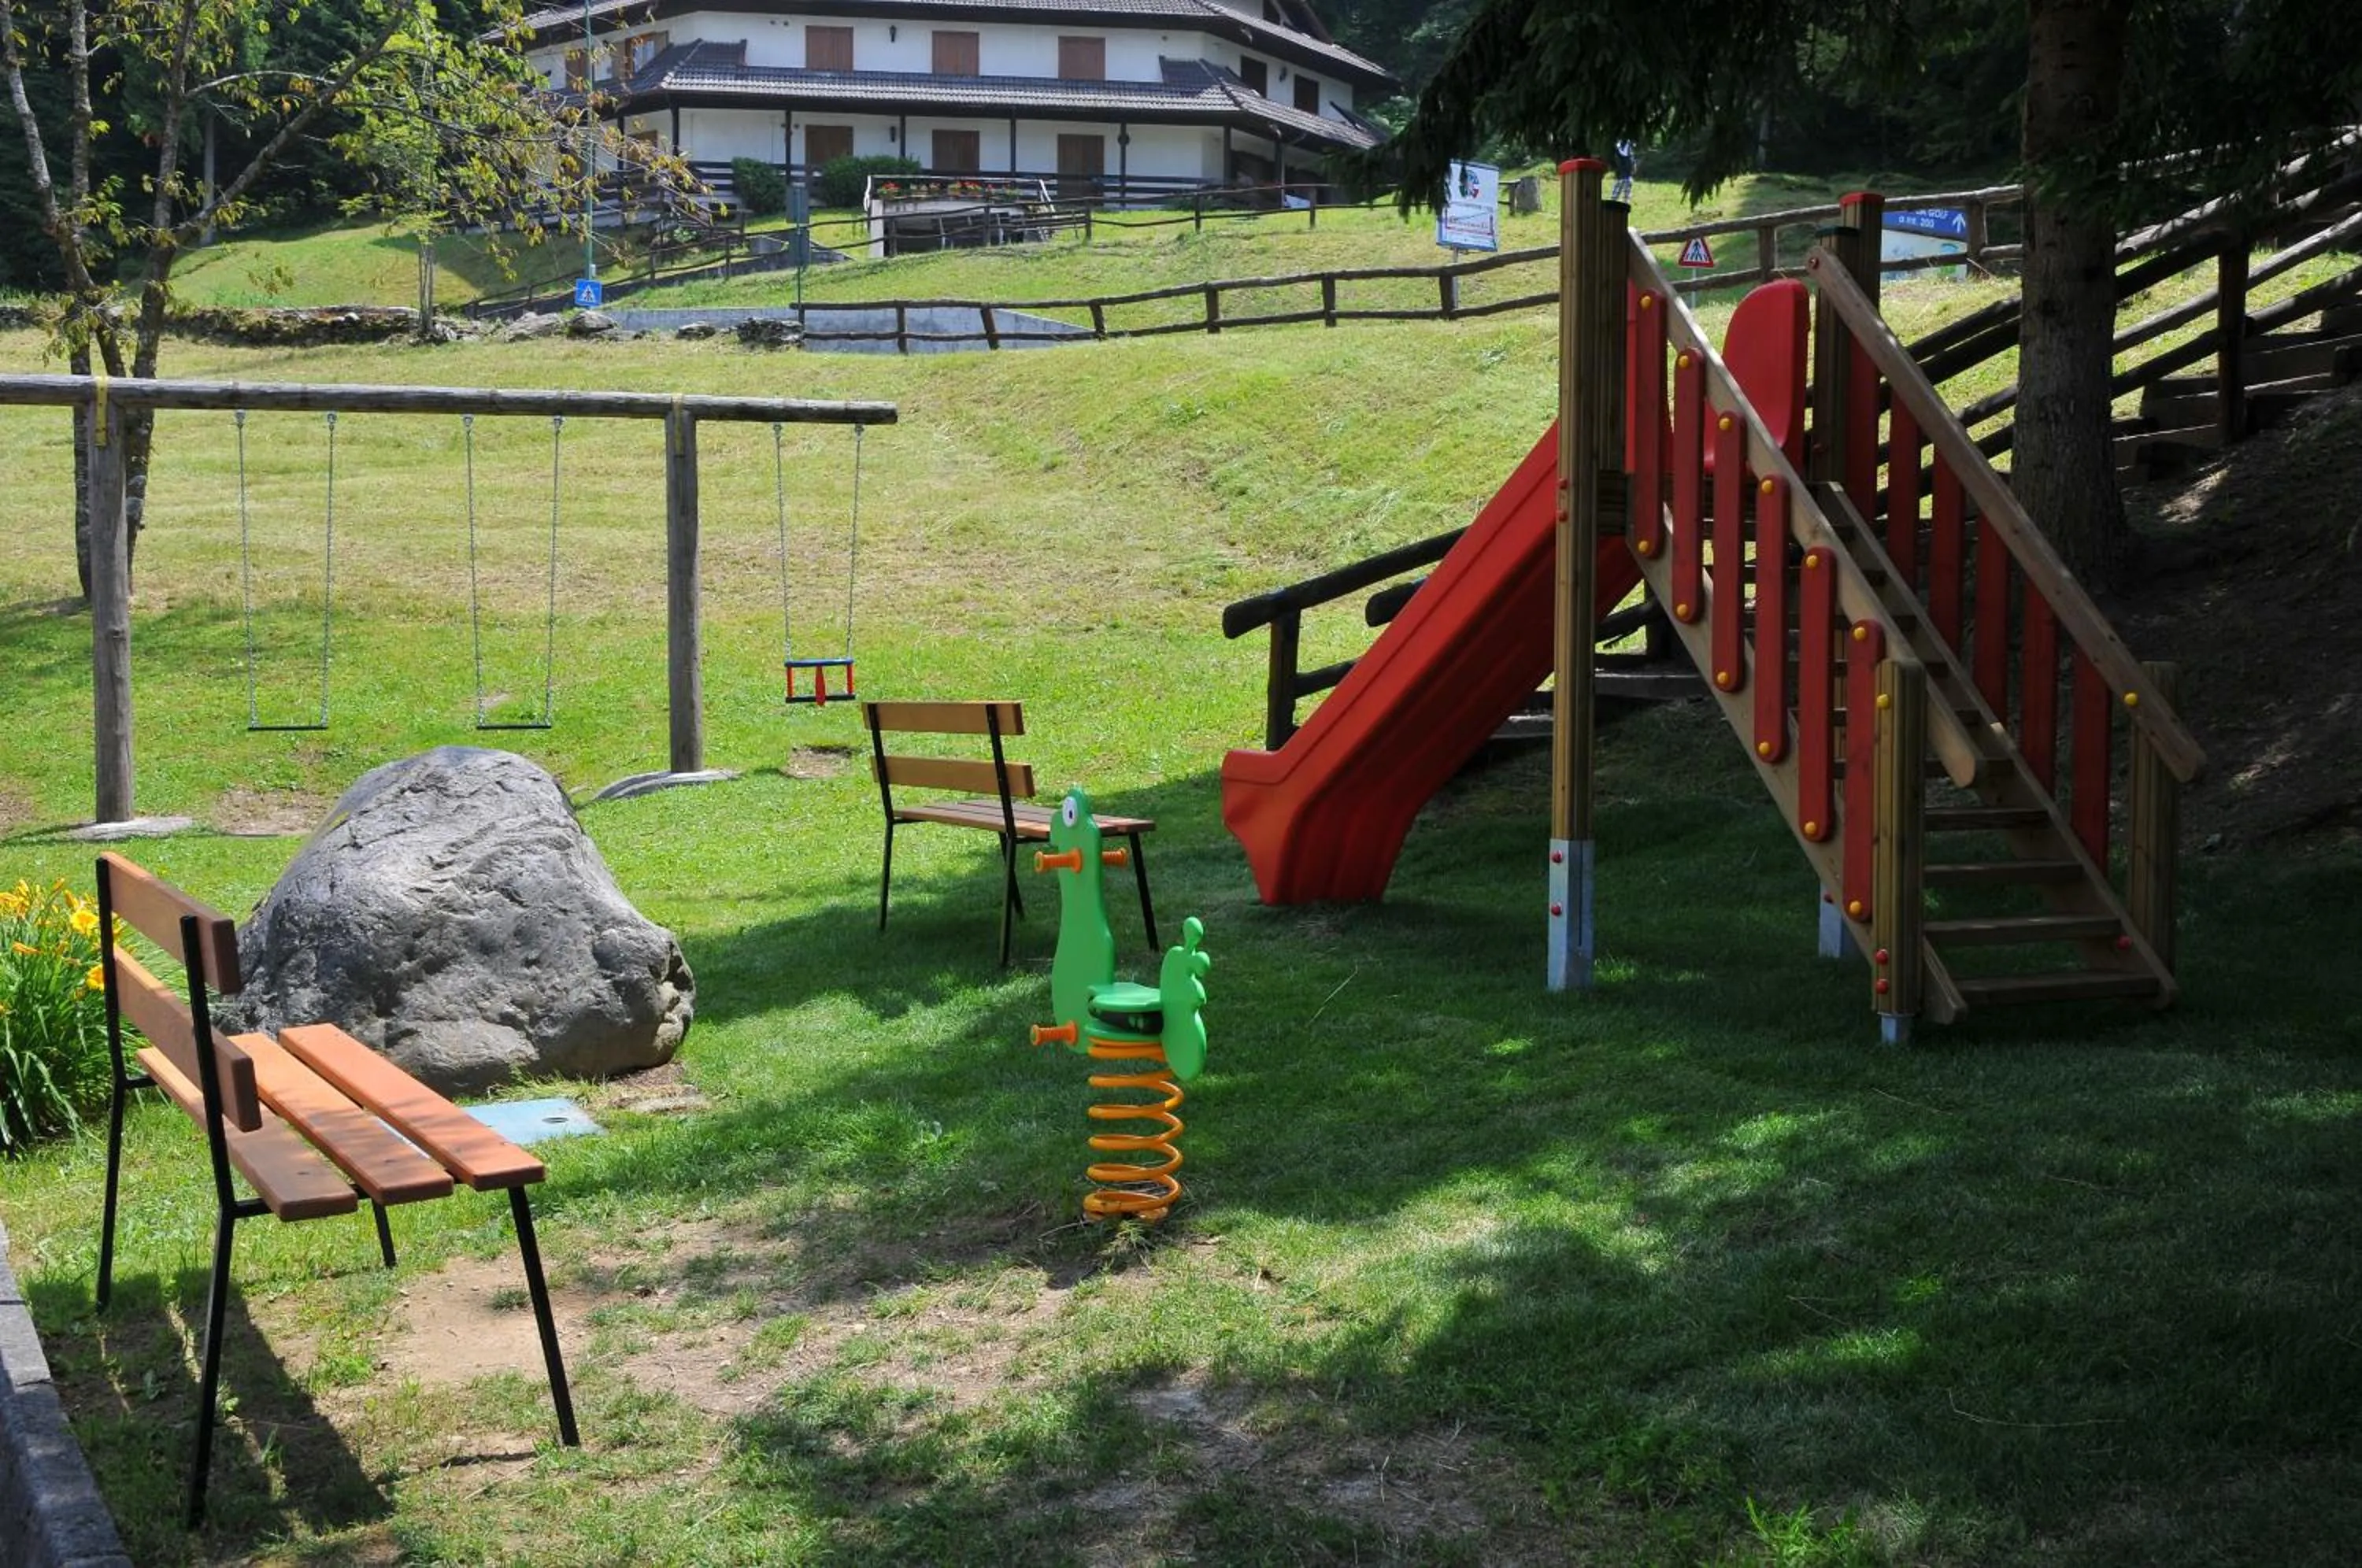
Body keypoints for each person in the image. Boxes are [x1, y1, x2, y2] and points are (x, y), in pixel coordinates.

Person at [1610, 139, 1637, 203]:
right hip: (1624, 175)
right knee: (1624, 194)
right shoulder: (1624, 148)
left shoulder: (1622, 148)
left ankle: (1616, 202)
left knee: (1619, 193)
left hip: (1623, 175)